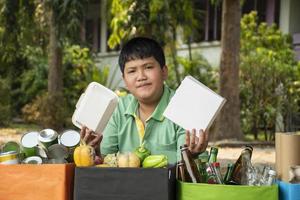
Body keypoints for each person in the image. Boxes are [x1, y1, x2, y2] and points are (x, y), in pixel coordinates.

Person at [80, 37, 208, 164]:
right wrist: (94, 151)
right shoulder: (118, 109)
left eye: (148, 67)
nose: (141, 77)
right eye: (132, 71)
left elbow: (186, 167)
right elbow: (107, 161)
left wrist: (192, 155)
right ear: (124, 80)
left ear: (164, 72)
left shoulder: (184, 107)